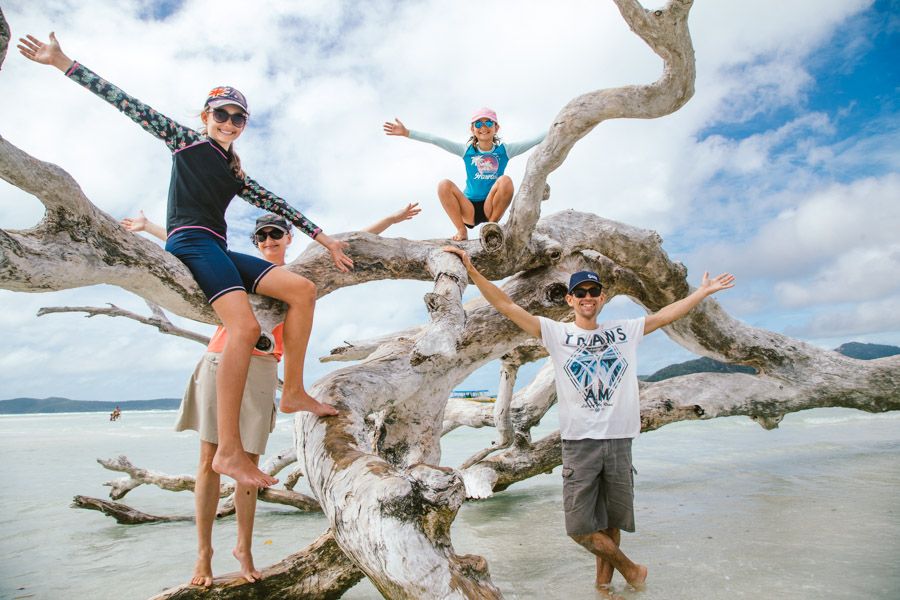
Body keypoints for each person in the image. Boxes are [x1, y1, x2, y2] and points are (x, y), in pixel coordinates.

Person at [18, 32, 354, 488]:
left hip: (216, 246)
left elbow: (276, 200)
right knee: (244, 328)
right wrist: (62, 62)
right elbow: (126, 102)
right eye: (222, 114)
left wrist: (324, 238)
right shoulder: (184, 141)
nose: (230, 122)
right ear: (206, 116)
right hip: (190, 242)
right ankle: (230, 452)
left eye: (238, 118)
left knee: (302, 289)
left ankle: (293, 391)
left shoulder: (235, 170)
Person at [123, 205, 419, 586]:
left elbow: (351, 242)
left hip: (263, 366)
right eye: (261, 236)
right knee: (208, 461)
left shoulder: (298, 272)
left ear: (288, 238)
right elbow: (194, 252)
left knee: (250, 466)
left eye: (274, 234)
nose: (267, 240)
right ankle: (203, 555)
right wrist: (149, 227)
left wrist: (390, 221)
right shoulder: (238, 269)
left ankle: (243, 549)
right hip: (220, 360)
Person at [444, 246, 735, 592]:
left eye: (593, 292)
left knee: (611, 522)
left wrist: (701, 292)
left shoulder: (623, 332)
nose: (587, 297)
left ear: (602, 297)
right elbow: (507, 305)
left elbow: (666, 316)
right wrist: (474, 273)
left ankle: (602, 589)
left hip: (619, 440)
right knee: (580, 528)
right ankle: (631, 571)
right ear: (569, 300)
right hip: (579, 443)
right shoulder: (557, 334)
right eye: (579, 293)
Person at [383, 109, 545, 241]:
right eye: (478, 124)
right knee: (443, 184)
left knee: (505, 180)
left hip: (491, 206)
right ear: (472, 129)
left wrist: (564, 124)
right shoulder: (466, 151)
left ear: (496, 128)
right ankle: (461, 231)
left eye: (488, 122)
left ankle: (491, 227)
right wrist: (407, 132)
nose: (483, 127)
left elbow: (535, 140)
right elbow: (435, 139)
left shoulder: (505, 151)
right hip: (469, 209)